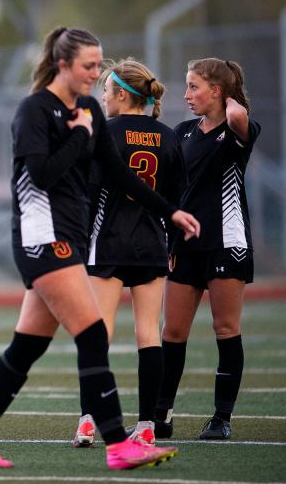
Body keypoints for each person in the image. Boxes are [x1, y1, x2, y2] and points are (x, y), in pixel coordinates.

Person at [0, 27, 199, 471]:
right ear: (63, 64)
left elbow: (120, 174)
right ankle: (117, 443)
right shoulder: (34, 111)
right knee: (91, 334)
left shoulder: (87, 108)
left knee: (26, 346)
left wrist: (170, 213)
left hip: (69, 236)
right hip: (40, 237)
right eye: (88, 65)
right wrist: (79, 136)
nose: (95, 74)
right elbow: (42, 175)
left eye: (98, 65)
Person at [71, 59, 185, 449]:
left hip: (108, 243)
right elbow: (175, 199)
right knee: (148, 335)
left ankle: (89, 421)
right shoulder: (169, 137)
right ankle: (148, 425)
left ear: (122, 94)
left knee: (96, 335)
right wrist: (173, 245)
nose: (102, 96)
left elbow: (89, 194)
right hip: (152, 244)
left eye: (106, 89)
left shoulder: (105, 132)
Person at [154, 59, 259, 441]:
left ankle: (221, 418)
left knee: (225, 328)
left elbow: (239, 120)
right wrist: (169, 239)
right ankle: (161, 416)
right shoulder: (182, 132)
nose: (186, 95)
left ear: (216, 91)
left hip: (225, 244)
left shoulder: (237, 129)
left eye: (194, 87)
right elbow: (171, 191)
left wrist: (232, 103)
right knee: (173, 331)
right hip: (185, 245)